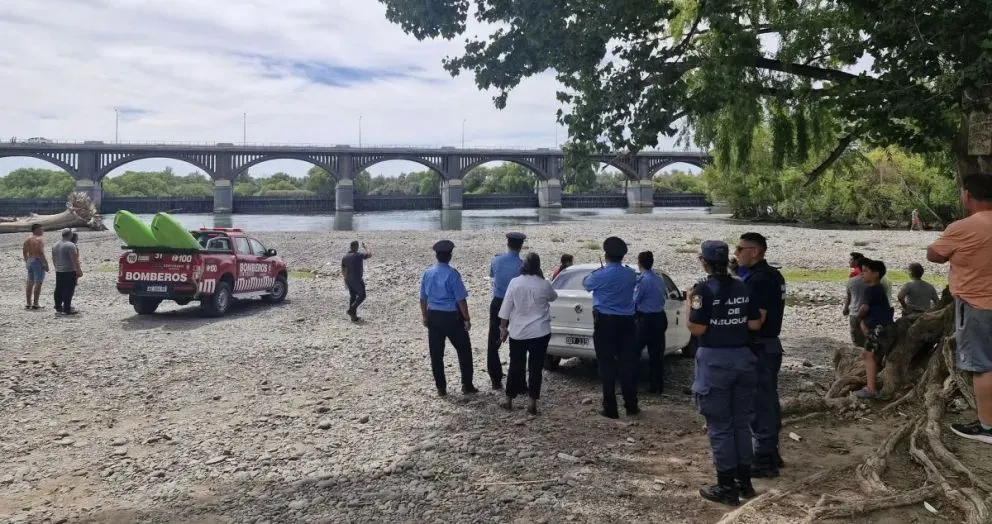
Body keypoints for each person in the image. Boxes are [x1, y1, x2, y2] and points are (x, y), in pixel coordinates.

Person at [686, 240, 762, 506]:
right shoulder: (743, 285)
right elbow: (754, 322)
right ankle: (745, 481)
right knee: (741, 423)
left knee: (720, 426)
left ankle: (726, 486)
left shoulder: (702, 291)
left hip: (715, 361)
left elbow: (696, 329)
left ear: (704, 262)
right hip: (743, 358)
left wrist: (688, 303)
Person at [927, 172, 992, 444]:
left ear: (967, 194)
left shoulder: (964, 227)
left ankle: (987, 427)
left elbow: (933, 255)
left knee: (983, 366)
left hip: (977, 305)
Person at [735, 232, 787, 478]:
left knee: (760, 402)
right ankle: (771, 452)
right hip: (768, 345)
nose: (736, 254)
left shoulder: (759, 280)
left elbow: (759, 319)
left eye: (740, 249)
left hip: (760, 346)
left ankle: (764, 458)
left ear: (754, 251)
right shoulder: (772, 276)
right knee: (768, 400)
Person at [582, 236, 639, 419]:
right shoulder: (631, 274)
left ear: (605, 255)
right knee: (627, 364)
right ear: (622, 256)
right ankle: (631, 405)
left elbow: (586, 284)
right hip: (627, 323)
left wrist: (599, 271)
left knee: (606, 365)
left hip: (605, 322)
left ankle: (610, 407)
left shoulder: (600, 275)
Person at [497, 252, 558, 415]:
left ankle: (509, 400)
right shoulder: (544, 284)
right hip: (540, 332)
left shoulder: (515, 282)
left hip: (518, 332)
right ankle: (532, 403)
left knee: (515, 366)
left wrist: (503, 329)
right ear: (538, 266)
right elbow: (553, 297)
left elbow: (506, 308)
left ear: (523, 265)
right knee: (536, 367)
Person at [420, 240, 478, 397]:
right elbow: (460, 299)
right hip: (452, 316)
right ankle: (467, 385)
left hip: (434, 315)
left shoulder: (428, 273)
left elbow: (423, 298)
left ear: (437, 256)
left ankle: (441, 387)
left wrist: (425, 316)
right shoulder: (453, 274)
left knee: (436, 353)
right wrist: (467, 318)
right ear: (450, 256)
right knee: (464, 351)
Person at [487, 232, 526, 390]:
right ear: (520, 246)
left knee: (493, 343)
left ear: (507, 244)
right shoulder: (523, 265)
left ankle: (496, 380)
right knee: (517, 343)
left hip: (498, 302)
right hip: (516, 305)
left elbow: (491, 275)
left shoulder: (496, 260)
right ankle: (518, 381)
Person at [854, 259, 895, 399]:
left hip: (877, 328)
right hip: (883, 327)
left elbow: (864, 308)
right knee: (871, 355)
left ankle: (871, 389)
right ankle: (872, 382)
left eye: (865, 271)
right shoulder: (879, 289)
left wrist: (858, 318)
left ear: (876, 274)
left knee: (869, 355)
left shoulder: (870, 290)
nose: (862, 274)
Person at [634, 251, 667, 394]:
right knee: (657, 354)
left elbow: (635, 300)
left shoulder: (643, 281)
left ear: (639, 263)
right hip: (660, 317)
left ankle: (632, 384)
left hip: (646, 319)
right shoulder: (659, 278)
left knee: (633, 352)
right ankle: (656, 386)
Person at [52, 228, 83, 315]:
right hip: (69, 270)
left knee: (58, 289)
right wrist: (78, 270)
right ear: (70, 235)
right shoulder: (70, 245)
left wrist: (56, 267)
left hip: (59, 270)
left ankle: (58, 306)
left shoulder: (55, 244)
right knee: (69, 290)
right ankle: (67, 308)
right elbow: (74, 260)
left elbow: (53, 258)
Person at [341, 240, 372, 322]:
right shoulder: (358, 255)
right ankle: (351, 310)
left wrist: (345, 280)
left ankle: (353, 317)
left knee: (353, 297)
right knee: (362, 295)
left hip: (348, 279)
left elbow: (343, 270)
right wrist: (366, 247)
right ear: (356, 247)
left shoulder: (345, 257)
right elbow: (369, 255)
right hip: (357, 279)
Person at [22, 224, 49, 310]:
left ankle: (28, 303)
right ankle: (36, 303)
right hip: (37, 261)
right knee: (38, 282)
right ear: (36, 230)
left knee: (30, 282)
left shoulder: (27, 239)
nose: (43, 231)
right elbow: (40, 253)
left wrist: (27, 261)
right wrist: (45, 263)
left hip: (30, 260)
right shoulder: (39, 239)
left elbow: (24, 252)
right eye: (41, 229)